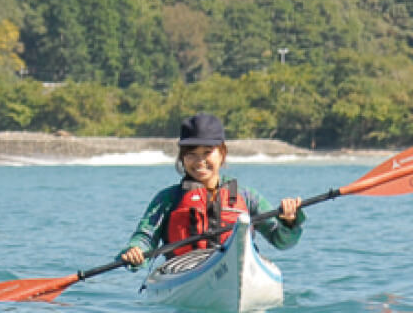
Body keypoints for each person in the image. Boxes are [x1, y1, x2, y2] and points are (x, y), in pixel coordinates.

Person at [120, 112, 304, 268]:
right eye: (191, 154)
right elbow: (145, 237)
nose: (199, 161)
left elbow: (282, 241)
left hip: (239, 267)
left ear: (222, 153)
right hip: (185, 273)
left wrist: (289, 223)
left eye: (207, 153)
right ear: (182, 158)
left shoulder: (247, 196)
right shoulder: (168, 198)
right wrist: (135, 251)